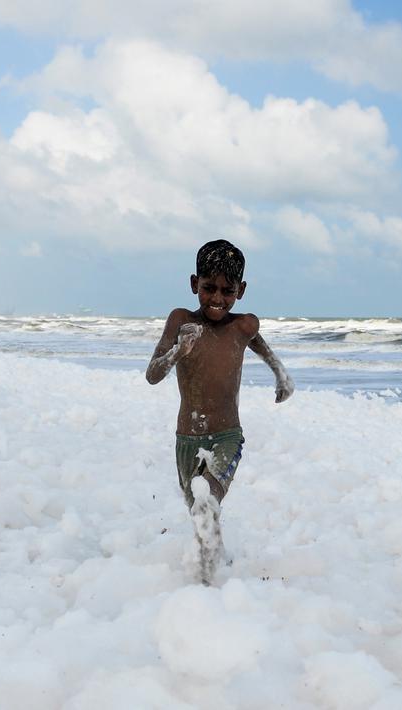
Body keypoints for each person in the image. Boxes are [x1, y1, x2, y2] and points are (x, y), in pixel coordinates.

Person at [146, 239, 293, 585]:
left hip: (228, 435)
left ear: (241, 290)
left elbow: (263, 349)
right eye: (209, 287)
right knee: (200, 511)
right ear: (194, 283)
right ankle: (217, 562)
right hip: (187, 439)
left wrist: (282, 377)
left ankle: (206, 581)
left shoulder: (244, 326)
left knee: (207, 500)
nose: (217, 298)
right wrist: (178, 351)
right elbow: (153, 374)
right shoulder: (181, 320)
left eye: (228, 291)